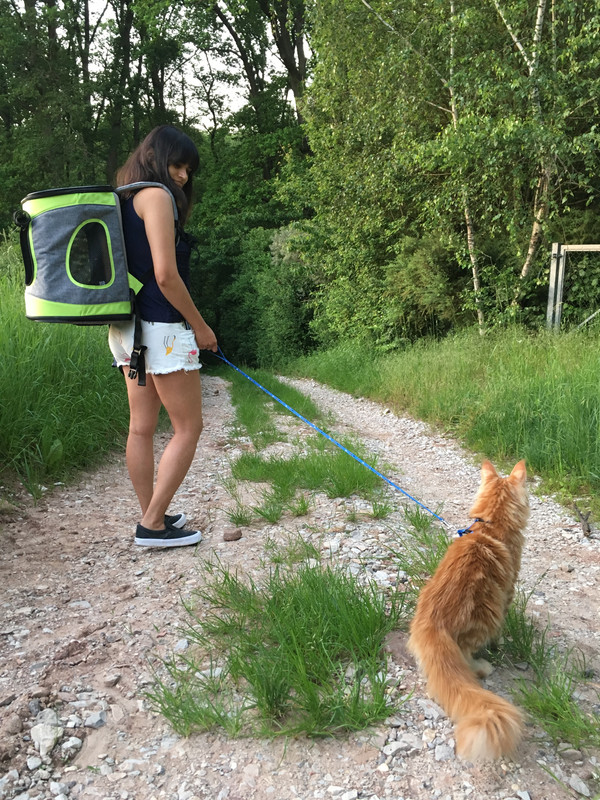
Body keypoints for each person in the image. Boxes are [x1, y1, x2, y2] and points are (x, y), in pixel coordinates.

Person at [108, 125, 217, 548]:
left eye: (189, 169)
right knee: (189, 427)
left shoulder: (124, 198)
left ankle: (153, 514)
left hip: (125, 329)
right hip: (161, 330)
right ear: (155, 158)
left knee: (141, 428)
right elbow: (166, 276)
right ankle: (152, 525)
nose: (184, 176)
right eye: (177, 164)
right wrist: (201, 325)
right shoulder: (156, 197)